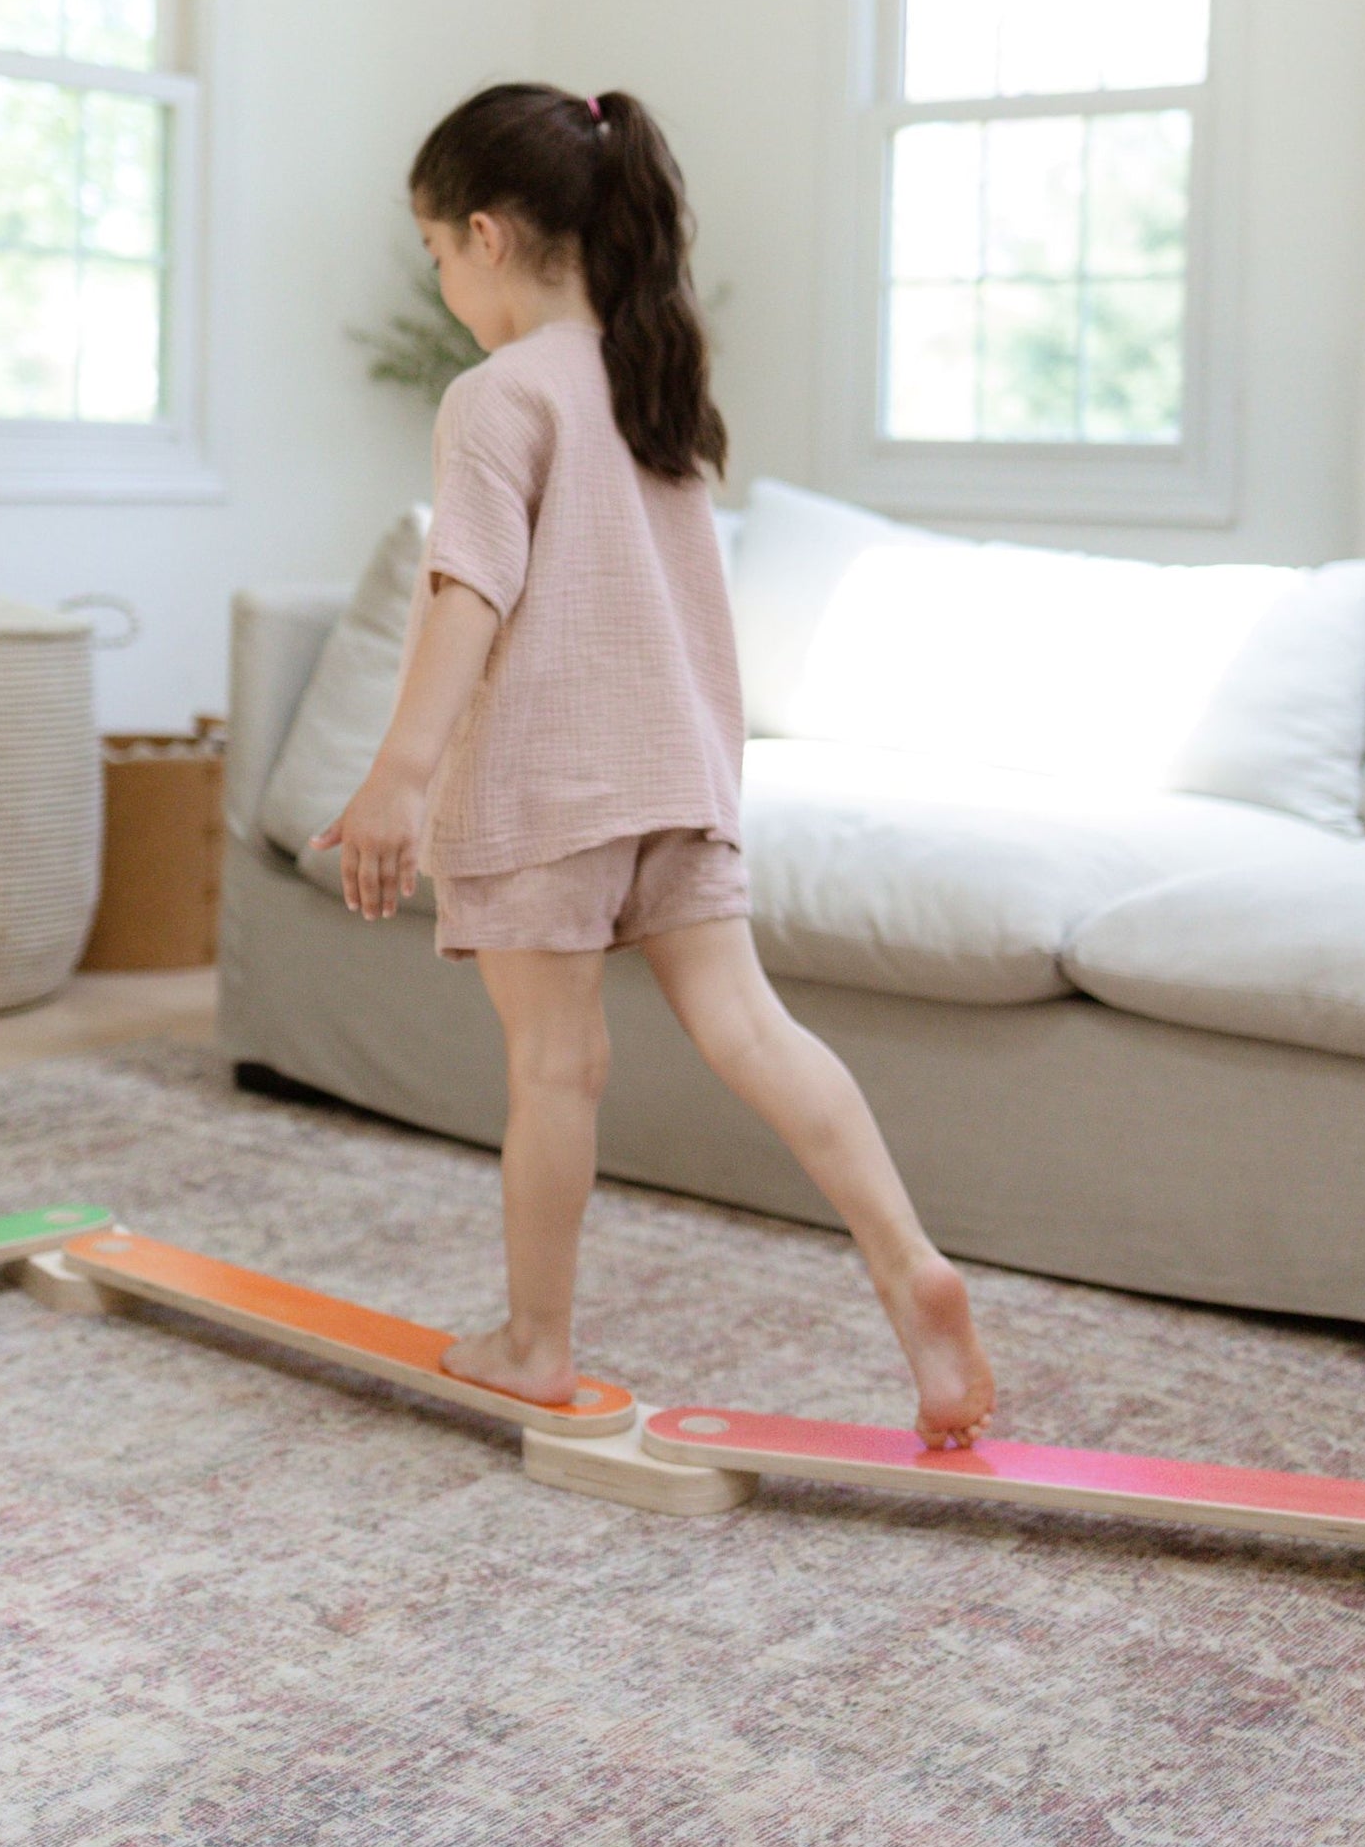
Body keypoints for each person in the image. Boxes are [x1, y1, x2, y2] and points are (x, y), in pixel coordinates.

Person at [310, 83, 995, 1447]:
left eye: (437, 250)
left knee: (555, 1067)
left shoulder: (495, 396)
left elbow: (466, 589)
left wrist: (398, 771)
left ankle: (535, 1342)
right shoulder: (656, 382)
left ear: (490, 235)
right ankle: (903, 1259)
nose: (441, 280)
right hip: (679, 770)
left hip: (548, 784)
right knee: (753, 1028)